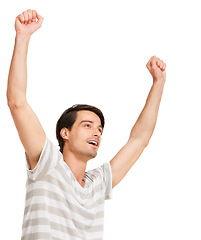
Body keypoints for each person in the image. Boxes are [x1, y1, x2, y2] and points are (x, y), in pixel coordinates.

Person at [7, 9, 166, 240]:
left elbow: (139, 140)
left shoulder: (97, 184)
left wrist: (158, 82)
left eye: (100, 129)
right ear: (65, 133)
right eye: (88, 125)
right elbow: (17, 102)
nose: (97, 133)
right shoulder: (47, 163)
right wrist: (22, 37)